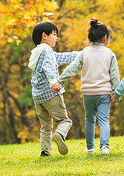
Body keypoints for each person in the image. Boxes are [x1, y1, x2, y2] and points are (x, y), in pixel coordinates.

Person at [53, 18, 120, 155]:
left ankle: (90, 148)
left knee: (89, 119)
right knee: (104, 119)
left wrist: (60, 82)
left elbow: (72, 69)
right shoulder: (109, 54)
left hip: (88, 94)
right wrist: (116, 94)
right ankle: (104, 147)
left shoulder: (84, 52)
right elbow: (114, 76)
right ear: (105, 38)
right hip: (104, 93)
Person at [28, 21, 79, 157]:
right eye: (54, 35)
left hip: (38, 97)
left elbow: (59, 58)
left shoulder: (38, 51)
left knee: (45, 126)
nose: (56, 38)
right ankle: (60, 135)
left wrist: (80, 54)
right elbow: (49, 67)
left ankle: (45, 152)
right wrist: (53, 83)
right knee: (64, 121)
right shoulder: (46, 50)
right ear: (45, 35)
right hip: (51, 93)